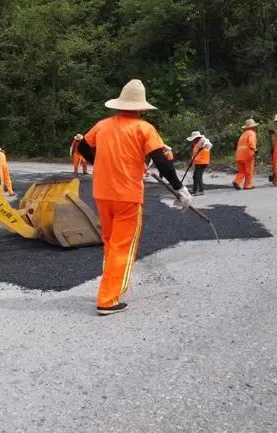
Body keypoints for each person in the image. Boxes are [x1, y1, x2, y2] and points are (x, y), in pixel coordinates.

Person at [80, 79, 191, 315]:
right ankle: (107, 299)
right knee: (123, 246)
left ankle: (109, 288)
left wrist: (99, 161)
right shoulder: (143, 128)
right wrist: (179, 188)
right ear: (140, 107)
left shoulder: (102, 125)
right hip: (127, 196)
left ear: (119, 104)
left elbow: (82, 147)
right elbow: (162, 161)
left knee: (111, 244)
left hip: (102, 193)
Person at [233, 119, 259, 190]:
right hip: (248, 154)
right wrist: (254, 149)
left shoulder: (243, 134)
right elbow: (251, 142)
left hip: (239, 155)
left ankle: (236, 181)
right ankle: (248, 185)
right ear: (253, 127)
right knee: (249, 170)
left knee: (241, 171)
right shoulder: (251, 133)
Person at [186, 131, 212, 196]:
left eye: (193, 139)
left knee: (198, 175)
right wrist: (191, 162)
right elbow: (194, 155)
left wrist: (203, 146)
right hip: (198, 162)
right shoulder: (196, 144)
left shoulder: (203, 140)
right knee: (195, 176)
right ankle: (194, 190)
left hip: (203, 161)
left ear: (197, 138)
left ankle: (201, 190)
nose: (193, 141)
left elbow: (209, 144)